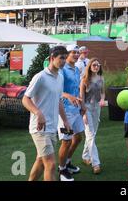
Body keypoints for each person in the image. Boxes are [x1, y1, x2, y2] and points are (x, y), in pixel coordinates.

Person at [22, 46, 71, 181]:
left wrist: (65, 120)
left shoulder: (60, 77)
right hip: (39, 128)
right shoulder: (40, 77)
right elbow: (25, 99)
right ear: (52, 58)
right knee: (50, 164)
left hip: (52, 127)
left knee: (41, 161)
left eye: (65, 58)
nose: (64, 61)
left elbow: (59, 100)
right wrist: (38, 113)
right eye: (61, 58)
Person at [57, 44, 87, 181]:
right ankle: (62, 169)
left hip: (76, 110)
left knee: (78, 137)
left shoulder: (76, 69)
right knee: (66, 142)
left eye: (77, 52)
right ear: (66, 54)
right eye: (73, 52)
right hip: (65, 111)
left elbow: (77, 90)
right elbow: (57, 91)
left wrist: (82, 104)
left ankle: (67, 162)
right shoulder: (62, 70)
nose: (76, 54)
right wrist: (68, 96)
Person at [80, 58, 105, 174]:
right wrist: (83, 113)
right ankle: (96, 163)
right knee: (90, 134)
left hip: (97, 108)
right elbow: (81, 98)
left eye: (98, 65)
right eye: (94, 65)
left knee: (92, 134)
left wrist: (103, 100)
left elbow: (103, 92)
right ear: (89, 66)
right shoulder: (84, 80)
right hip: (87, 108)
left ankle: (85, 156)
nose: (96, 67)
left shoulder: (101, 79)